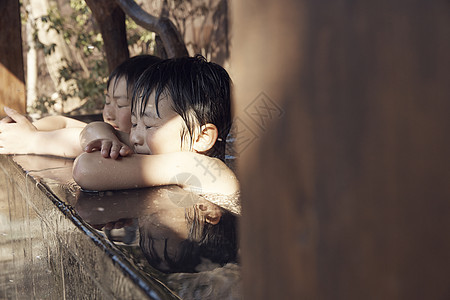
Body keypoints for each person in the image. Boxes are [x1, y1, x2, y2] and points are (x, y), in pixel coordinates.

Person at [73, 55, 239, 196]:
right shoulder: (158, 144)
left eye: (148, 125)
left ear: (201, 137)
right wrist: (108, 140)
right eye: (134, 123)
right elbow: (91, 129)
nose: (134, 136)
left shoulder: (207, 171)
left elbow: (85, 168)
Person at [0, 55, 161, 158]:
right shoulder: (110, 133)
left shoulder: (135, 147)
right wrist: (30, 129)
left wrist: (30, 140)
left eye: (120, 104)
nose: (109, 113)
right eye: (107, 102)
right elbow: (62, 122)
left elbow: (83, 141)